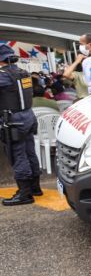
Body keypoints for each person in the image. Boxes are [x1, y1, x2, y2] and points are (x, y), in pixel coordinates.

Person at [0, 44, 42, 205]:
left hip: (14, 120)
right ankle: (35, 187)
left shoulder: (4, 75)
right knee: (29, 151)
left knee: (18, 155)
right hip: (28, 116)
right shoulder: (22, 72)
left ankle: (25, 193)